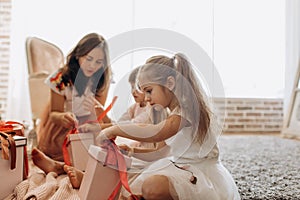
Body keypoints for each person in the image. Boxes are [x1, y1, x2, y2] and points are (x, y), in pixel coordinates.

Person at [95, 53, 240, 200]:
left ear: (170, 83)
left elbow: (156, 133)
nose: (146, 98)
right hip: (180, 165)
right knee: (133, 173)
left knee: (152, 186)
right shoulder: (172, 113)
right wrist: (132, 151)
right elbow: (160, 152)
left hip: (201, 174)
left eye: (149, 90)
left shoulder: (187, 111)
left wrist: (114, 129)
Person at [32, 33, 112, 174]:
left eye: (98, 62)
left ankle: (60, 167)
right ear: (78, 55)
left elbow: (99, 115)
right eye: (89, 59)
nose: (92, 65)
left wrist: (95, 112)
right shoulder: (61, 78)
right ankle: (60, 164)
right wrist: (62, 117)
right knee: (68, 147)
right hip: (64, 126)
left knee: (99, 149)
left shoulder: (101, 79)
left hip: (89, 125)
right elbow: (53, 114)